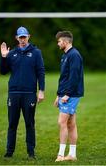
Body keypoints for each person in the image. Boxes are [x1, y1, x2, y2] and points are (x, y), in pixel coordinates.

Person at [0, 26, 45, 159]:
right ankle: (9, 152)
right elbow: (3, 72)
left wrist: (41, 90)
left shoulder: (36, 53)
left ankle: (31, 152)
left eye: (24, 37)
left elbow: (41, 72)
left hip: (29, 93)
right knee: (12, 123)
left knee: (29, 123)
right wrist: (3, 57)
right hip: (14, 93)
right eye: (20, 37)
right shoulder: (12, 53)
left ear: (29, 37)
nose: (23, 39)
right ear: (17, 38)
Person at [54, 31, 84, 162]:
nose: (58, 44)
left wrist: (67, 94)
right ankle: (72, 155)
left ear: (66, 42)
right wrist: (58, 95)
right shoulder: (66, 55)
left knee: (62, 122)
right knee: (71, 124)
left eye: (59, 42)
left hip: (71, 94)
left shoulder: (74, 55)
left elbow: (74, 77)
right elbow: (64, 78)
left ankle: (61, 155)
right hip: (66, 93)